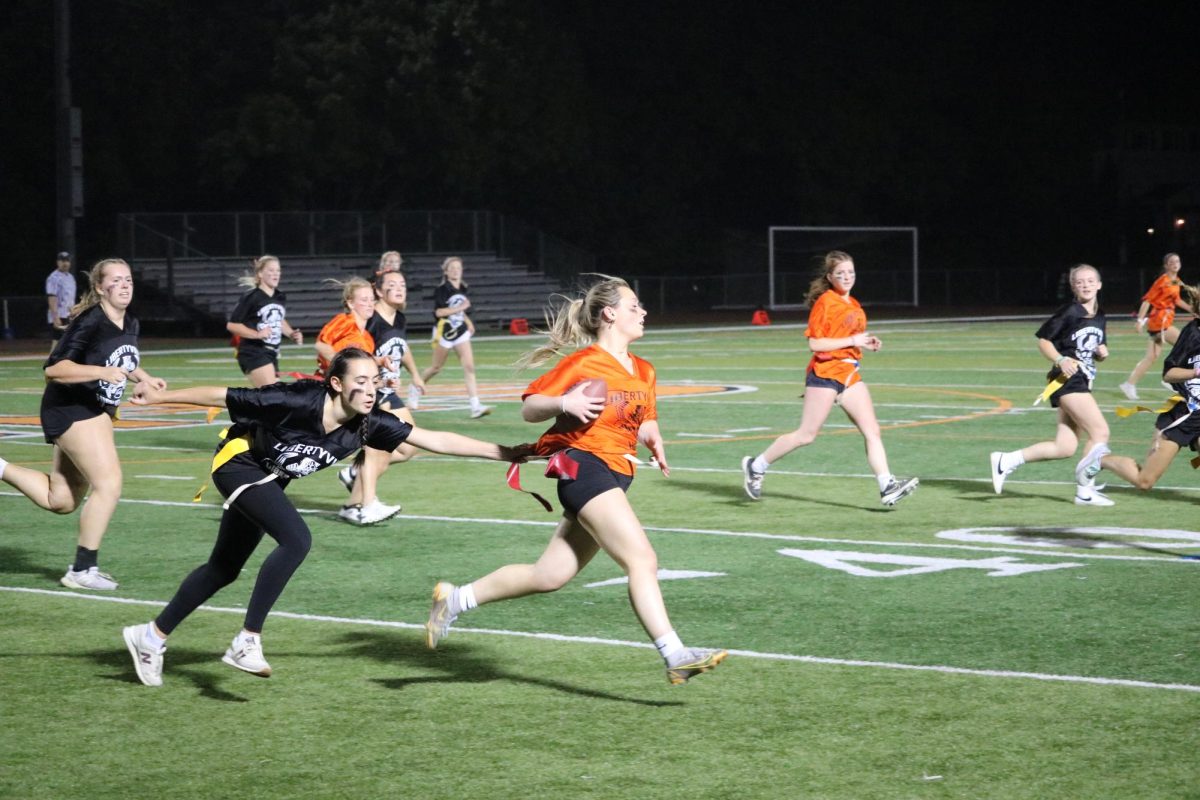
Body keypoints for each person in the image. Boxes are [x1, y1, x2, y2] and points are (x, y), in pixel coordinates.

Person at [120, 347, 527, 687]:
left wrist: (507, 452)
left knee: (223, 569)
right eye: (360, 382)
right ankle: (247, 640)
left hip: (270, 478)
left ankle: (150, 637)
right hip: (239, 463)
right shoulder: (297, 400)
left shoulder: (369, 424)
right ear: (336, 383)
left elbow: (436, 440)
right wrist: (158, 397)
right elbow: (223, 395)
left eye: (375, 382)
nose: (370, 390)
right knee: (297, 540)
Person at [424, 276, 728, 686]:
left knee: (549, 575)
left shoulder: (645, 369)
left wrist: (651, 434)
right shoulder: (584, 363)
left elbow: (643, 417)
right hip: (583, 468)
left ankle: (454, 599)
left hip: (617, 473)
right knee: (642, 559)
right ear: (610, 314)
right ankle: (675, 655)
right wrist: (564, 402)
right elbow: (531, 408)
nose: (643, 312)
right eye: (634, 305)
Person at [0, 258, 166, 589]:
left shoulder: (129, 321)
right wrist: (102, 373)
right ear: (101, 287)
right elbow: (54, 369)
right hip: (72, 407)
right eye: (116, 280)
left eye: (128, 279)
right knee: (109, 484)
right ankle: (82, 570)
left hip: (95, 408)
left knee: (61, 500)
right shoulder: (90, 321)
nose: (125, 284)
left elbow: (123, 359)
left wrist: (144, 377)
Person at [740, 251, 919, 507]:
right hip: (824, 374)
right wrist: (852, 340)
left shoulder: (854, 304)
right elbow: (815, 343)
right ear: (830, 277)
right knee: (806, 435)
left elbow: (850, 336)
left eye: (851, 272)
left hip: (848, 373)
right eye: (841, 273)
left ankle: (886, 485)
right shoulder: (826, 302)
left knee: (872, 431)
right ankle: (755, 466)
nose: (847, 277)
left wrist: (866, 341)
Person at [989, 263, 1114, 505]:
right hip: (1067, 380)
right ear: (1073, 287)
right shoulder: (1069, 311)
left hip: (1083, 379)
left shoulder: (1099, 314)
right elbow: (1044, 341)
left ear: (1099, 284)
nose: (1086, 285)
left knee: (1064, 447)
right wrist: (1060, 358)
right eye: (1080, 282)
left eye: (1090, 281)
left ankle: (1007, 460)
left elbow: (1090, 347)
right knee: (1100, 432)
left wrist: (1101, 352)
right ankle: (1085, 491)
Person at [1094, 285, 1200, 491]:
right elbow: (1169, 374)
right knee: (1145, 481)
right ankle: (1100, 460)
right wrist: (1195, 372)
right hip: (1184, 416)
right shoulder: (1193, 334)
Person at [337, 270, 426, 513]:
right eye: (392, 284)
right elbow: (356, 353)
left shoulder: (399, 319)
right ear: (378, 290)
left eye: (403, 284)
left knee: (408, 447)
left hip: (388, 390)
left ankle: (354, 474)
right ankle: (359, 505)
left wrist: (415, 374)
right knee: (380, 448)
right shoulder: (371, 318)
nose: (400, 288)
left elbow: (402, 348)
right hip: (372, 392)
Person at [312, 277, 398, 524]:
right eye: (364, 300)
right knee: (378, 443)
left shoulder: (367, 339)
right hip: (331, 398)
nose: (370, 304)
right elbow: (321, 344)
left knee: (382, 445)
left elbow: (364, 377)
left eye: (372, 299)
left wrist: (384, 382)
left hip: (352, 402)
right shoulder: (344, 322)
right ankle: (365, 501)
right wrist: (344, 362)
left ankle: (358, 499)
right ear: (350, 302)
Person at [408, 256, 491, 418]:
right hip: (444, 331)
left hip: (460, 330)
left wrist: (467, 321)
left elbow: (460, 311)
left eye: (458, 268)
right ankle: (415, 388)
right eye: (451, 268)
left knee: (469, 367)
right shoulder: (441, 290)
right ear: (446, 271)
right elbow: (439, 312)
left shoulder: (463, 288)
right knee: (436, 367)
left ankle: (475, 406)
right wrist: (461, 308)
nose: (455, 270)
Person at [1119, 253, 1194, 401]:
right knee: (1186, 345)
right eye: (1171, 262)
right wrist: (1140, 320)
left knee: (1151, 357)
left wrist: (1193, 309)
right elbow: (1147, 300)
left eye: (1177, 261)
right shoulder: (1162, 281)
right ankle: (1173, 380)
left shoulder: (1176, 281)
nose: (1175, 263)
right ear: (1166, 265)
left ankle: (1129, 384)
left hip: (1163, 322)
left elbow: (1177, 300)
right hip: (1160, 321)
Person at [225, 255, 303, 387]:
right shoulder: (251, 297)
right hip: (253, 351)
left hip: (272, 352)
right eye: (271, 270)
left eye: (278, 271)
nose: (276, 274)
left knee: (270, 399)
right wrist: (257, 334)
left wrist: (291, 333)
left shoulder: (280, 296)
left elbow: (278, 319)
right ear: (260, 273)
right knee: (273, 396)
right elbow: (232, 325)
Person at [46, 251, 76, 349]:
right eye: (62, 261)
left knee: (68, 343)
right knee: (58, 343)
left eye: (67, 261)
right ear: (58, 262)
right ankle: (51, 363)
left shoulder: (70, 277)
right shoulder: (54, 277)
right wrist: (55, 317)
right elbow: (52, 297)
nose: (65, 263)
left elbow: (71, 299)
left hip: (68, 315)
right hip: (59, 315)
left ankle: (61, 363)